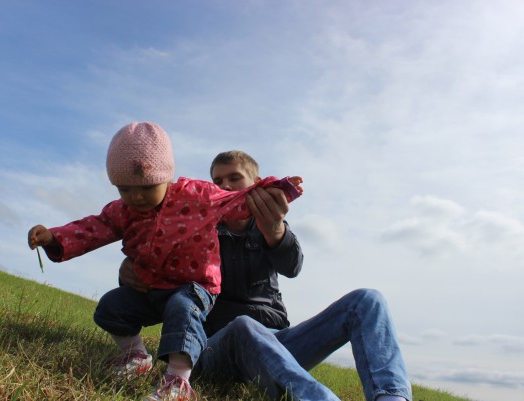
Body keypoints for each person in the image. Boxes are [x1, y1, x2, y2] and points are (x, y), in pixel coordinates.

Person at [27, 123, 303, 401]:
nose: (136, 197)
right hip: (154, 289)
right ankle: (135, 355)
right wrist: (54, 238)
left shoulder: (199, 197)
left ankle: (177, 382)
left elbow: (241, 204)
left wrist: (276, 190)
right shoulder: (124, 211)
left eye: (147, 187)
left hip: (197, 290)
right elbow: (93, 227)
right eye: (125, 189)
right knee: (110, 308)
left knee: (183, 308)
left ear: (166, 177)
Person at [121, 150, 412, 401]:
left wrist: (274, 230)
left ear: (256, 185)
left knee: (367, 300)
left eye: (234, 178)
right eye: (217, 181)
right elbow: (159, 273)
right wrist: (129, 270)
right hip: (215, 348)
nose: (225, 185)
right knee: (243, 325)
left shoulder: (270, 225)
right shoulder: (196, 231)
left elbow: (292, 267)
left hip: (277, 342)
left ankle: (391, 395)